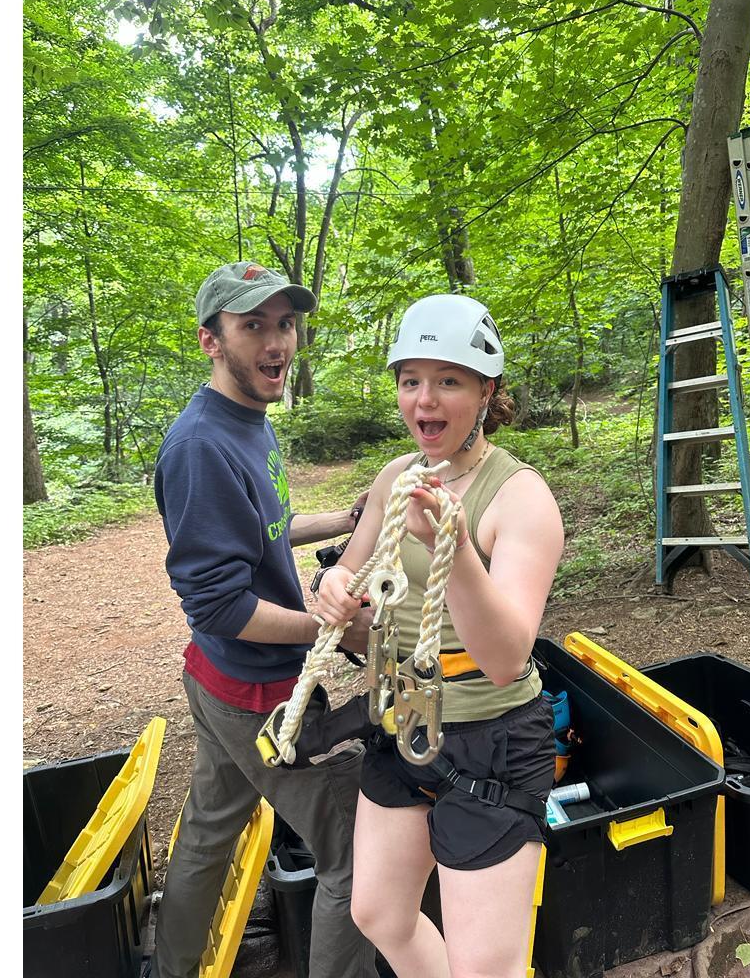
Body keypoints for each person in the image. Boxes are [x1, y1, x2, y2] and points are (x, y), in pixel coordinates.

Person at [314, 293, 565, 978]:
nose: (424, 399)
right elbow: (356, 570)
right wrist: (334, 589)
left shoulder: (519, 499)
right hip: (404, 722)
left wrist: (452, 550)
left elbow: (507, 656)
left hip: (491, 741)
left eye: (448, 380)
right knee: (379, 913)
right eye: (410, 380)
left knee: (486, 968)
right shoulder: (398, 477)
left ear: (487, 390)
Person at [150, 261, 378, 978]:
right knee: (352, 853)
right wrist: (333, 626)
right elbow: (218, 602)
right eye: (253, 326)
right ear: (209, 341)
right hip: (259, 696)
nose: (277, 341)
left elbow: (268, 529)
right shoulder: (199, 448)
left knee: (209, 834)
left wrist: (345, 517)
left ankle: (171, 969)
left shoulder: (247, 421)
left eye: (284, 323)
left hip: (222, 681)